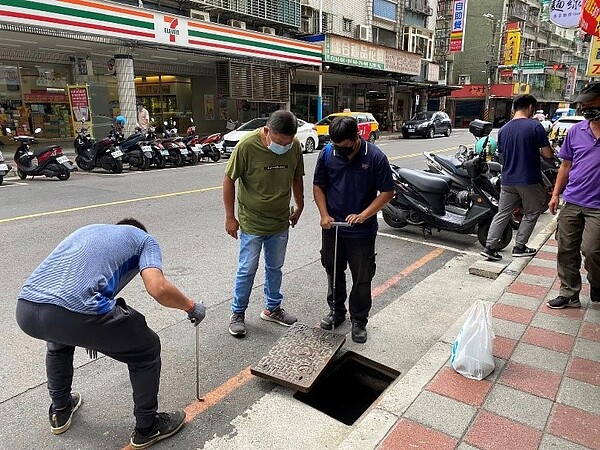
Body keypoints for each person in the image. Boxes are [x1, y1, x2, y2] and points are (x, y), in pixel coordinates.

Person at [15, 219, 206, 449]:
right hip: (76, 313)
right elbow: (158, 288)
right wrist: (191, 306)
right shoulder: (144, 240)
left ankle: (60, 410)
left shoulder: (89, 230)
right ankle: (147, 427)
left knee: (58, 341)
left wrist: (88, 329)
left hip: (26, 308)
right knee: (147, 347)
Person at [313, 116, 394, 343]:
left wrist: (363, 215)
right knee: (333, 271)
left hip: (361, 232)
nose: (340, 151)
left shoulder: (375, 157)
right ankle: (337, 311)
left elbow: (387, 192)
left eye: (344, 147)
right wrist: (323, 214)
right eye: (336, 146)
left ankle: (359, 320)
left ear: (356, 137)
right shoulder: (327, 153)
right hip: (333, 228)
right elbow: (318, 186)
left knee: (362, 277)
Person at [223, 110, 304, 337]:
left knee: (275, 268)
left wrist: (300, 205)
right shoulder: (246, 146)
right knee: (247, 268)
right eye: (279, 142)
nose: (284, 146)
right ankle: (238, 312)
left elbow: (297, 177)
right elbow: (229, 180)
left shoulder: (294, 146)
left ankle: (273, 308)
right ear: (266, 131)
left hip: (280, 220)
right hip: (252, 221)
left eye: (287, 143)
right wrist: (230, 217)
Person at [481, 94, 554, 261]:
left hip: (507, 179)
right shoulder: (535, 127)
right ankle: (520, 246)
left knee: (502, 213)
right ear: (530, 107)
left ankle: (489, 247)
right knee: (533, 211)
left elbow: (502, 154)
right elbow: (548, 153)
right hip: (528, 179)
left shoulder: (504, 129)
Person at [546, 83, 600, 309]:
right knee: (566, 249)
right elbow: (566, 165)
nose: (586, 109)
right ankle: (569, 293)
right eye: (583, 106)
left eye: (591, 105)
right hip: (573, 199)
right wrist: (555, 194)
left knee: (592, 250)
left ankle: (597, 283)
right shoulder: (576, 131)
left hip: (597, 206)